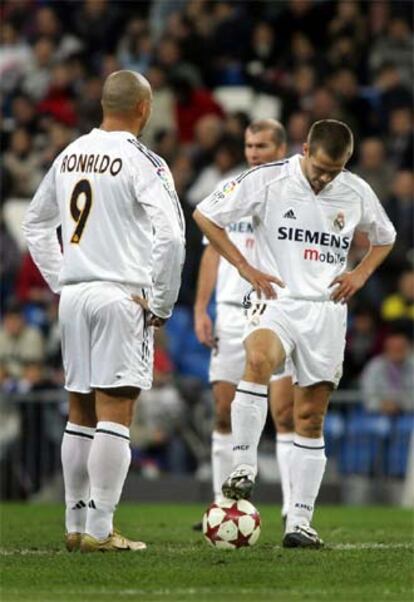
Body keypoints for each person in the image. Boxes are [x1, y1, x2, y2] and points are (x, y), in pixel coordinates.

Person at [194, 119, 396, 548]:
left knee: (309, 418)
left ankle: (299, 522)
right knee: (257, 360)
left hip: (325, 312)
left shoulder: (356, 191)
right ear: (304, 149)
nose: (325, 176)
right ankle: (244, 466)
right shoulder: (267, 179)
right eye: (320, 167)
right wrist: (246, 268)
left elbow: (385, 237)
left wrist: (360, 273)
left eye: (334, 170)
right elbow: (205, 215)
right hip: (277, 300)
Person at [23, 70, 185, 552]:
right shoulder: (143, 160)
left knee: (80, 410)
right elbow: (172, 236)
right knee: (116, 411)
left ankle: (74, 524)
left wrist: (62, 281)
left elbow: (36, 225)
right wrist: (161, 302)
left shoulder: (70, 153)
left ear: (103, 104)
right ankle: (100, 530)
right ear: (144, 108)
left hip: (75, 296)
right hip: (120, 294)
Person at [194, 119, 295, 528]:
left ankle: (294, 508)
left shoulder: (295, 190)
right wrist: (202, 307)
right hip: (232, 310)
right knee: (223, 409)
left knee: (285, 413)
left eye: (263, 145)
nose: (253, 152)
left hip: (277, 308)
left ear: (282, 148)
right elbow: (211, 254)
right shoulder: (230, 190)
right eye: (250, 146)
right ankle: (224, 506)